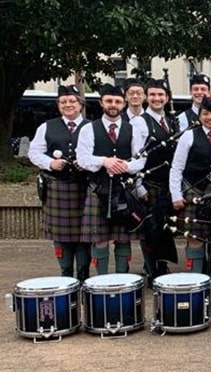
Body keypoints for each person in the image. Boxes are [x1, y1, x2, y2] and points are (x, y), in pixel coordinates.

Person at [169, 96, 211, 296]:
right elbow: (177, 168)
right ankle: (196, 280)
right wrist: (175, 194)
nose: (210, 118)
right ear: (200, 116)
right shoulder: (188, 136)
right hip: (193, 192)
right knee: (195, 238)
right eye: (206, 114)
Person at [76, 84, 147, 275]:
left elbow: (141, 159)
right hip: (98, 189)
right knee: (99, 239)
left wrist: (125, 166)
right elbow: (82, 159)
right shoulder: (89, 129)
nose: (113, 105)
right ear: (101, 103)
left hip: (124, 190)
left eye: (117, 101)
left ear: (123, 104)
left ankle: (122, 281)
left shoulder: (133, 130)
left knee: (123, 239)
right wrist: (105, 161)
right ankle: (101, 281)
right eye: (109, 101)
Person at [27, 85, 91, 280]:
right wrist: (50, 163)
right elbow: (34, 152)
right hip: (57, 187)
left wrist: (87, 164)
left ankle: (83, 275)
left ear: (80, 104)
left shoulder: (91, 127)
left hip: (85, 188)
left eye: (72, 101)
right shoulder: (47, 126)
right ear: (58, 105)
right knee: (61, 238)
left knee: (84, 237)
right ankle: (65, 276)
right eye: (63, 102)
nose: (68, 104)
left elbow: (99, 154)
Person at [131, 78, 179, 280]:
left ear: (167, 98)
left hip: (167, 184)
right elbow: (136, 155)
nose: (157, 98)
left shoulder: (171, 121)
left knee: (164, 227)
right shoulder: (140, 122)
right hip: (149, 183)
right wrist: (138, 186)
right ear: (146, 97)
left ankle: (161, 266)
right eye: (153, 95)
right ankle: (152, 270)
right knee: (150, 229)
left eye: (161, 95)